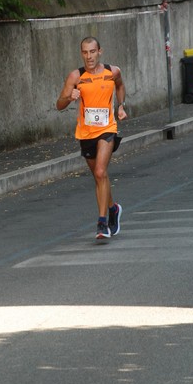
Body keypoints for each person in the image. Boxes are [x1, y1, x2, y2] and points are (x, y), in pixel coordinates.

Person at [56, 36, 128, 239]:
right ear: (82, 54)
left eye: (92, 51)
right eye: (85, 52)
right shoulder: (75, 77)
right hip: (86, 132)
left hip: (107, 129)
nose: (89, 56)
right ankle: (113, 208)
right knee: (99, 177)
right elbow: (59, 105)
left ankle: (102, 223)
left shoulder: (112, 72)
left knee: (100, 171)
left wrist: (121, 106)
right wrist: (69, 98)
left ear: (100, 52)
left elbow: (121, 87)